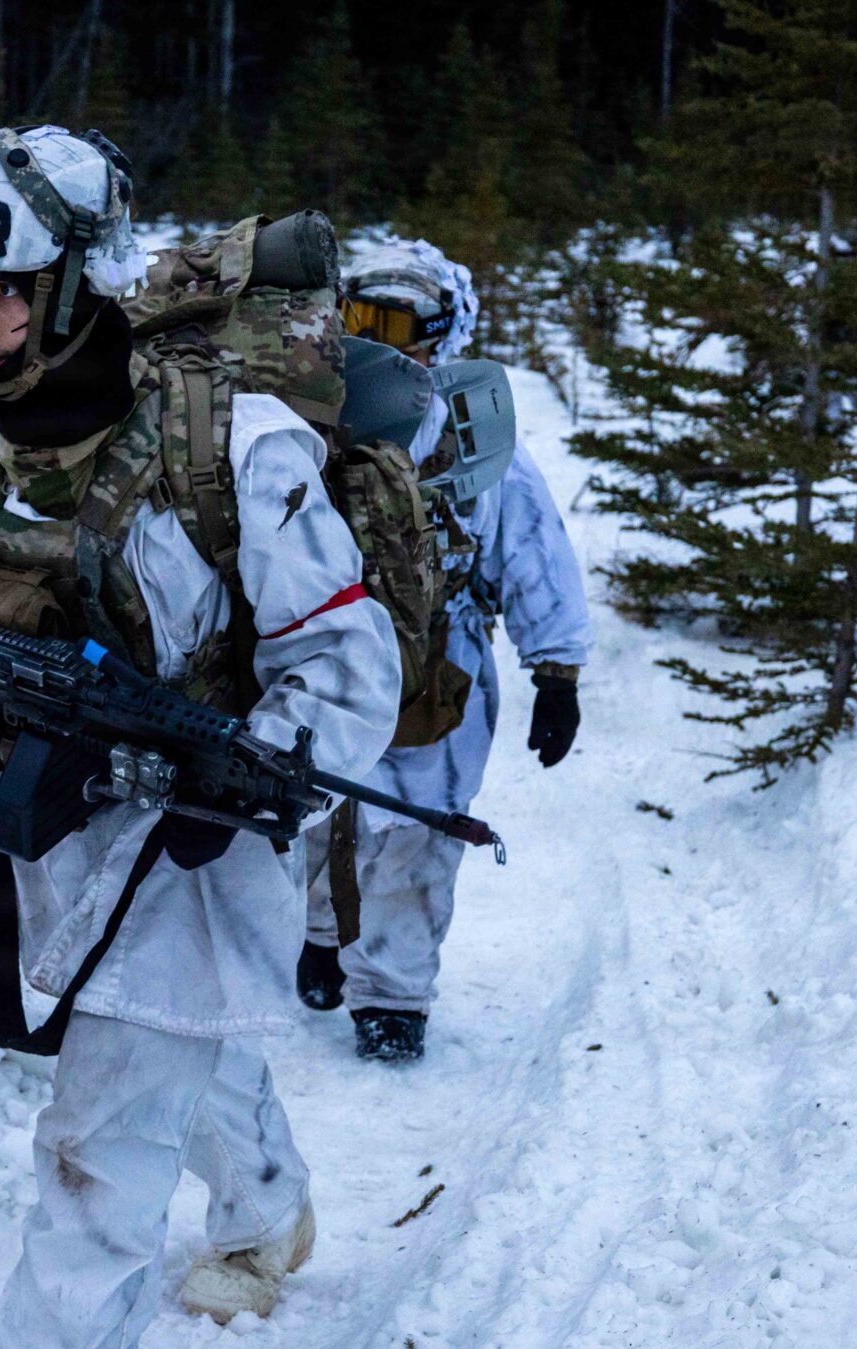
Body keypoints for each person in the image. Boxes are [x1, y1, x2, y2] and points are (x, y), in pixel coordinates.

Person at [0, 126, 401, 1349]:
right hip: (61, 827)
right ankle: (267, 1212)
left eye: (12, 293)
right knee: (173, 1037)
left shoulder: (230, 439)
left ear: (81, 278)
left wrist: (262, 774)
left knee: (101, 1128)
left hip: (208, 827)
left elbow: (345, 661)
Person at [300, 239, 592, 1062]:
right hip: (327, 646)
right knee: (311, 807)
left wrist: (557, 671)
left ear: (438, 335)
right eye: (362, 319)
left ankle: (391, 997)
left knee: (416, 835)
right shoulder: (310, 418)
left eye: (396, 325)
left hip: (439, 662)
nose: (377, 343)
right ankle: (320, 933)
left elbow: (533, 552)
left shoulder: (475, 445)